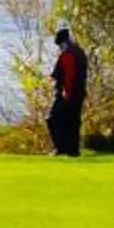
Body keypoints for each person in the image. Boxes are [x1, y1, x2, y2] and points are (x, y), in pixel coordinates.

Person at [45, 26, 90, 157]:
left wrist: (66, 90)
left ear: (61, 42)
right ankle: (73, 150)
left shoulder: (68, 53)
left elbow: (69, 73)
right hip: (79, 91)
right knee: (72, 121)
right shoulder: (79, 51)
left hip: (67, 92)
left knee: (52, 119)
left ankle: (61, 147)